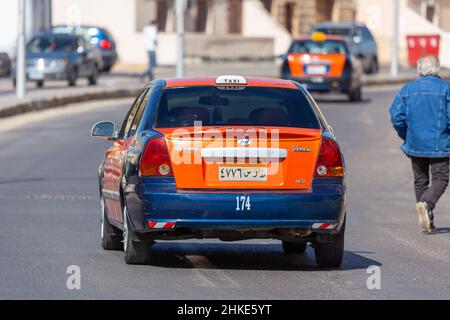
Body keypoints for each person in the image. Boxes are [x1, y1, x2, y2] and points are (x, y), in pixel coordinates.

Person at [390, 55, 450, 233]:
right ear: (436, 69)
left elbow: (396, 117)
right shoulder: (446, 89)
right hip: (439, 144)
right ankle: (426, 204)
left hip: (415, 144)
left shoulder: (407, 90)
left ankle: (427, 218)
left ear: (419, 69)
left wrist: (407, 136)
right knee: (441, 178)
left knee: (421, 181)